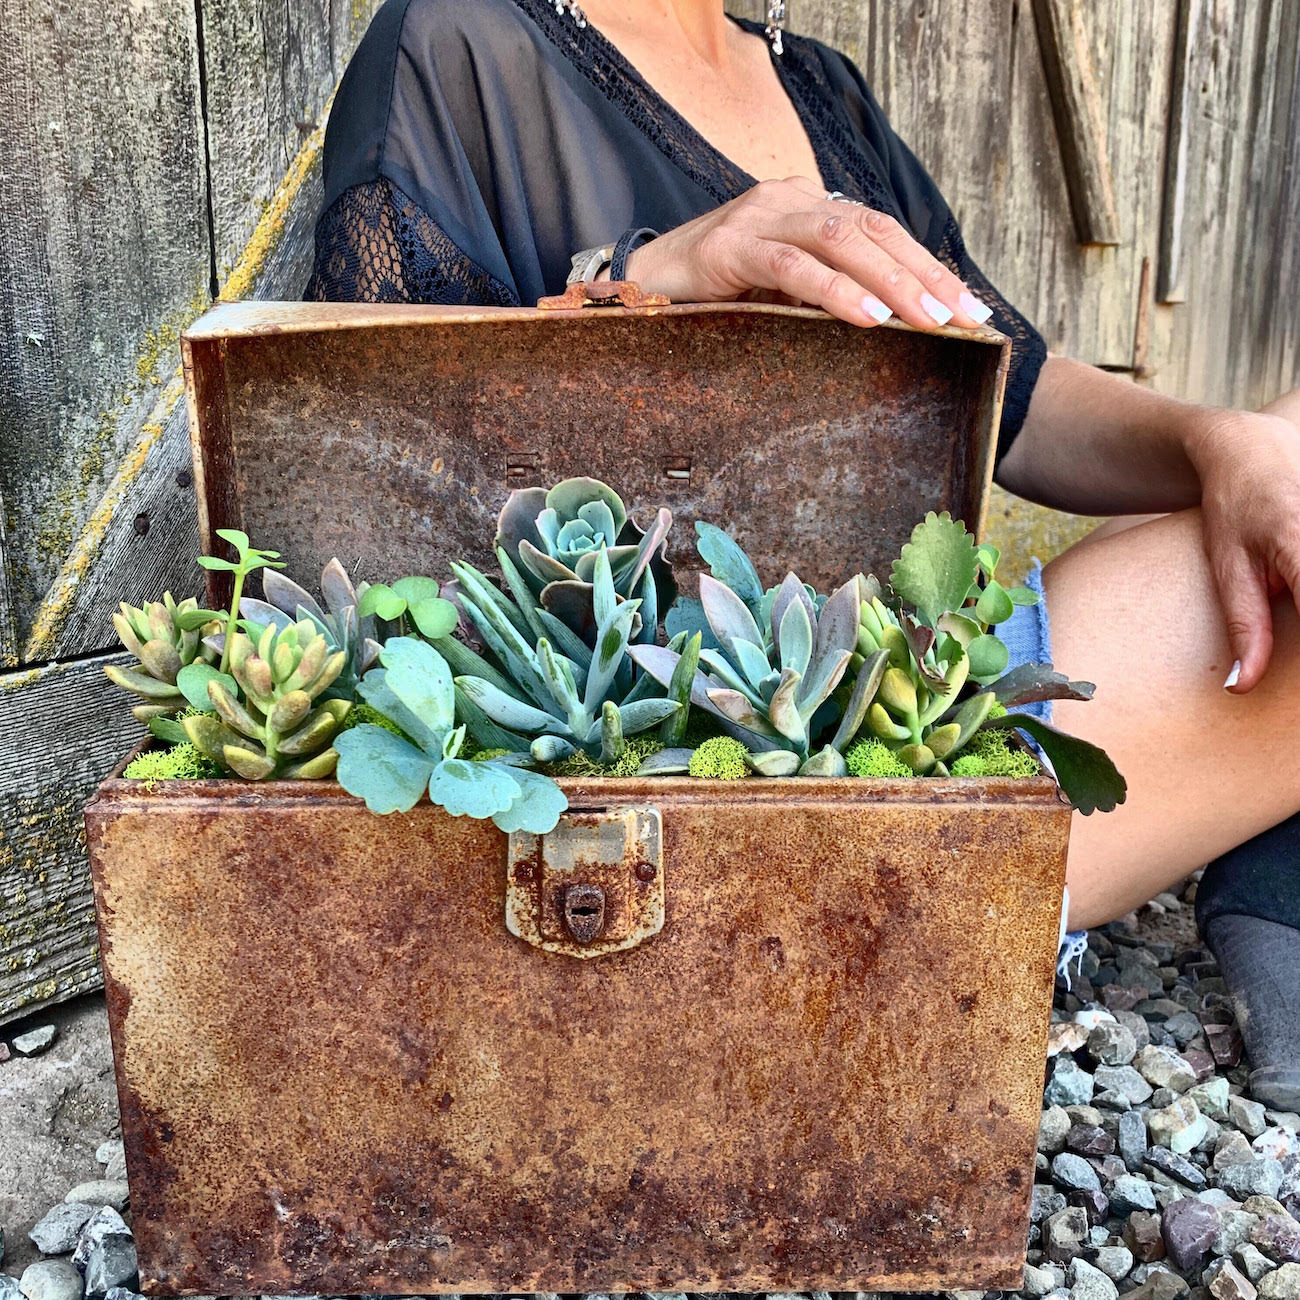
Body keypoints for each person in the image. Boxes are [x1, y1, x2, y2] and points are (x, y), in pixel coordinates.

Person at [307, 0, 1300, 1107]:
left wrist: (1222, 446)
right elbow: (372, 469)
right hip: (674, 808)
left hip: (916, 713)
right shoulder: (462, 46)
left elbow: (1011, 392)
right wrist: (638, 283)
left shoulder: (820, 89)